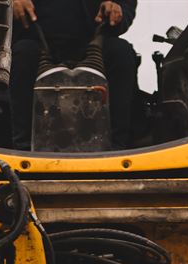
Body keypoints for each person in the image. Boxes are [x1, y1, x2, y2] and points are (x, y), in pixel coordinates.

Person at [8, 0, 139, 151]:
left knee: (121, 52)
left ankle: (118, 149)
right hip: (35, 41)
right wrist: (11, 3)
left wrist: (117, 9)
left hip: (94, 44)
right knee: (22, 54)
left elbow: (125, 6)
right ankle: (22, 150)